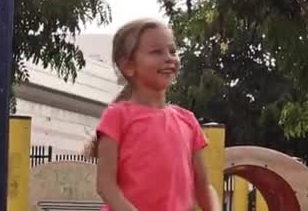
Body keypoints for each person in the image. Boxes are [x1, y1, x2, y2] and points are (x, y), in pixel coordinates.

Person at [84, 18, 220, 211]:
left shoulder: (187, 120)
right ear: (128, 66)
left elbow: (203, 187)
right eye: (157, 52)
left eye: (172, 51)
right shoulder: (117, 117)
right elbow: (106, 186)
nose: (169, 57)